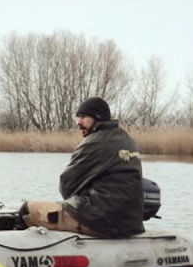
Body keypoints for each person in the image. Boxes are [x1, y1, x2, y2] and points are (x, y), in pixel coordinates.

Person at [22, 97, 145, 237]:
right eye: (78, 117)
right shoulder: (127, 140)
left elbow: (67, 186)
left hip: (100, 221)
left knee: (27, 209)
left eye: (83, 117)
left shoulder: (94, 142)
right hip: (131, 224)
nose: (78, 122)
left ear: (98, 117)